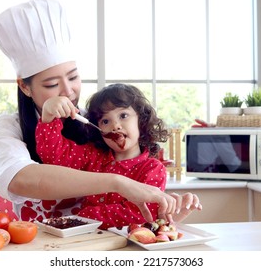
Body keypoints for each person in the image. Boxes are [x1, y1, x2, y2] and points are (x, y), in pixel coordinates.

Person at [0, 0, 201, 225]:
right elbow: (23, 178)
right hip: (40, 239)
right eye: (52, 84)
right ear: (24, 86)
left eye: (73, 77)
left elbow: (143, 216)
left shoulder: (93, 121)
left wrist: (168, 215)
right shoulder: (9, 126)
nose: (68, 91)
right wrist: (116, 182)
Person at [32, 83, 180, 229]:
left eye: (123, 115)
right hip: (87, 239)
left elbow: (140, 213)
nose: (115, 126)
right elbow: (54, 155)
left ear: (141, 120)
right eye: (105, 121)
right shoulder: (92, 156)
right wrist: (48, 116)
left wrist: (85, 216)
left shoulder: (152, 169)